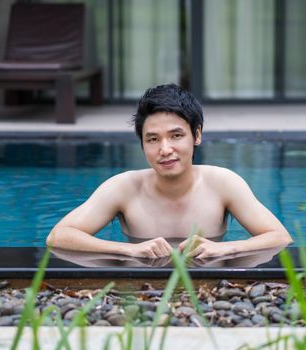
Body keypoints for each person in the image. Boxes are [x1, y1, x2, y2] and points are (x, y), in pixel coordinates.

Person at [46, 83, 293, 259]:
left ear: (196, 135)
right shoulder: (123, 188)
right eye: (153, 139)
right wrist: (128, 250)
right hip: (141, 290)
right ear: (142, 143)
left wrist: (225, 249)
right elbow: (59, 237)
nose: (165, 149)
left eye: (176, 136)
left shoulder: (222, 183)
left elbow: (279, 237)